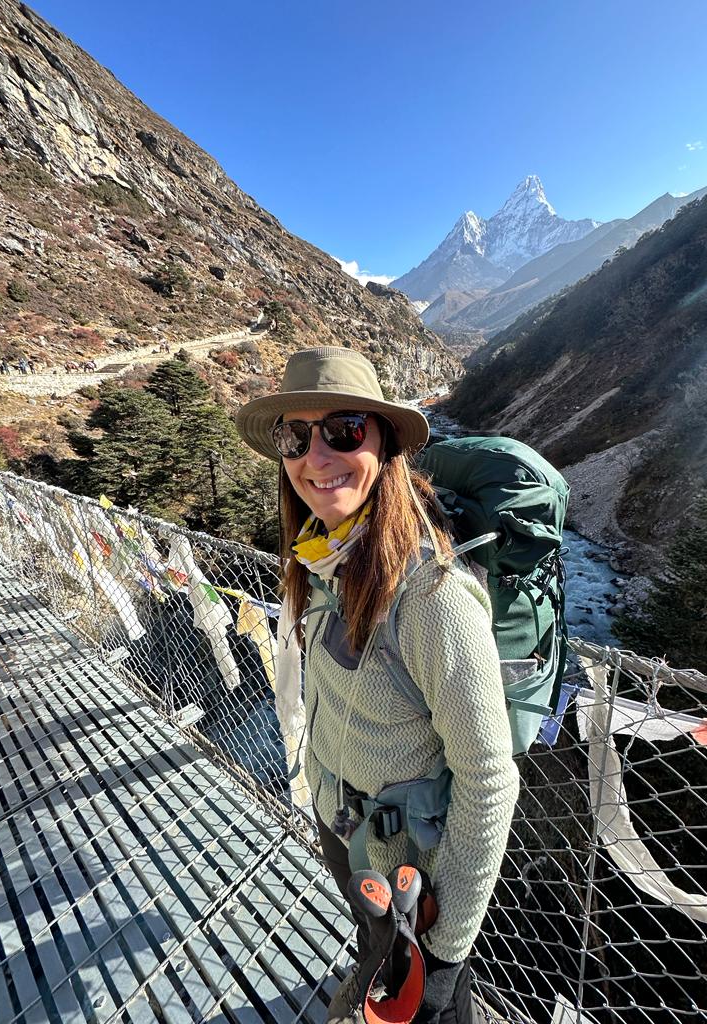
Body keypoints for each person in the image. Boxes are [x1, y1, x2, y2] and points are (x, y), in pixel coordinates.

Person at [236, 347, 519, 1024]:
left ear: (384, 440)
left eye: (342, 430)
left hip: (418, 880)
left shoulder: (432, 598)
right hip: (353, 835)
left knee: (429, 1008)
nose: (315, 455)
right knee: (377, 958)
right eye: (294, 436)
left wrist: (445, 954)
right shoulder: (322, 556)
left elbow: (489, 778)